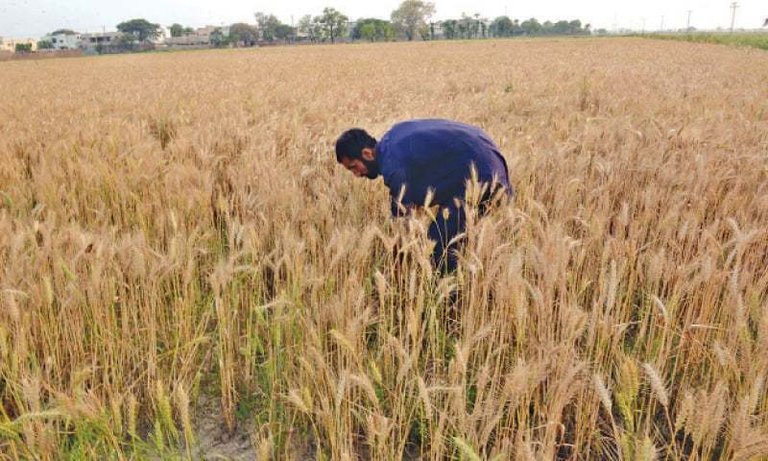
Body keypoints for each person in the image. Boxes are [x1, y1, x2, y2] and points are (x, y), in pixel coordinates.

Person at [335, 119, 513, 273]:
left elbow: (402, 223)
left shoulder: (392, 164)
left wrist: (397, 265)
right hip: (491, 161)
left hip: (481, 174)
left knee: (438, 245)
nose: (356, 175)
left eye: (353, 167)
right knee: (455, 235)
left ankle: (451, 300)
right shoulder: (393, 139)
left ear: (367, 154)